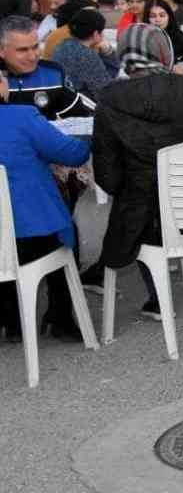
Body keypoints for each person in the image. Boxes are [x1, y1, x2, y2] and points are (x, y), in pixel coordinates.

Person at [79, 25, 183, 314]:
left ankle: (158, 300)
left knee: (137, 204)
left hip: (141, 216)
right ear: (164, 52)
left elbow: (107, 176)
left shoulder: (109, 98)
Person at [0, 75, 93, 340]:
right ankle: (59, 316)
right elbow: (73, 154)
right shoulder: (22, 117)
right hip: (30, 237)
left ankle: (11, 320)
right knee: (60, 235)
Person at [0, 15, 80, 119]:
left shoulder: (54, 73)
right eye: (22, 50)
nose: (32, 57)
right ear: (1, 51)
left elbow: (77, 118)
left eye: (35, 47)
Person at [50, 9, 118, 102]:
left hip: (62, 103)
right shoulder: (87, 55)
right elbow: (106, 93)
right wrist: (108, 53)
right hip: (83, 109)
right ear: (95, 33)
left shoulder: (61, 46)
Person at [142, 0, 183, 65]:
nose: (158, 20)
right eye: (153, 16)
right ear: (147, 18)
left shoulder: (181, 38)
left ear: (169, 17)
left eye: (162, 15)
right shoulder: (141, 38)